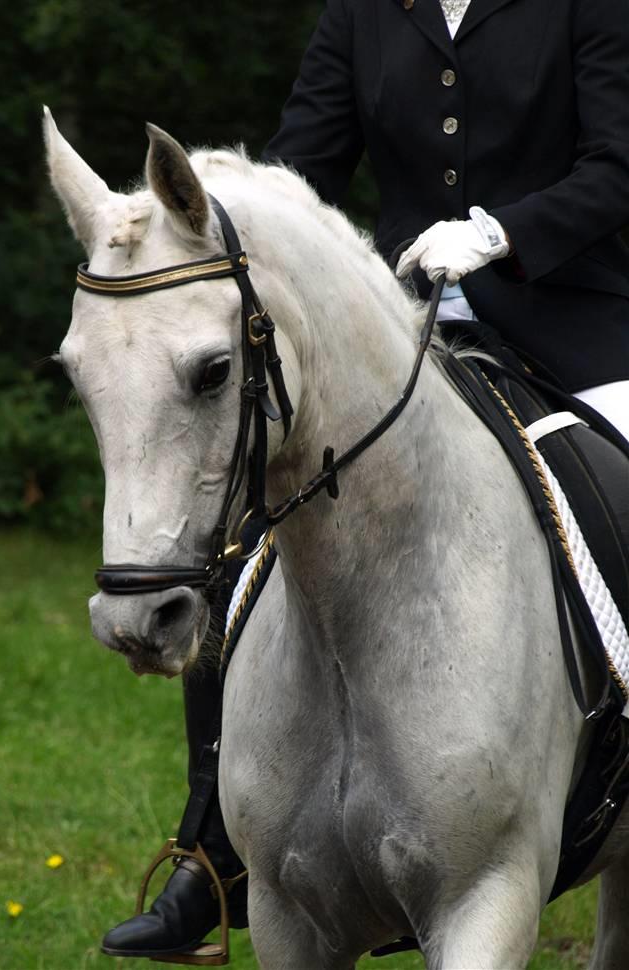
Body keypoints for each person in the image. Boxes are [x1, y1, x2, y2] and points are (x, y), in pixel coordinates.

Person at [102, 0, 629, 958]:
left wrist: (504, 233)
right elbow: (296, 165)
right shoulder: (362, 14)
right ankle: (213, 851)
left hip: (575, 330)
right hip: (394, 325)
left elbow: (618, 166)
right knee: (242, 540)